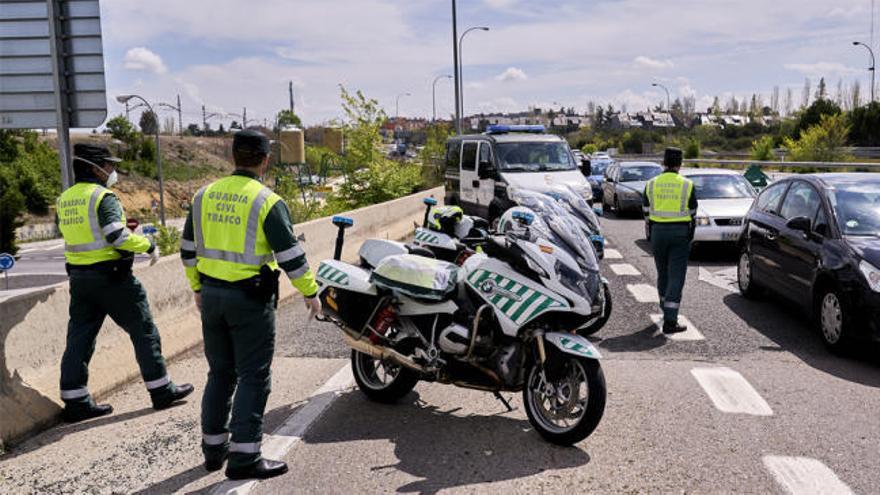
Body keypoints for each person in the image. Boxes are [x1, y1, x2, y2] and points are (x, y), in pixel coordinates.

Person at [180, 130, 321, 480]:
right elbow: (291, 256)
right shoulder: (266, 201)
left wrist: (197, 287)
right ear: (265, 160)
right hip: (249, 301)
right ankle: (244, 458)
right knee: (254, 376)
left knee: (220, 373)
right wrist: (310, 291)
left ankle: (214, 450)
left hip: (211, 297)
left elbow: (186, 250)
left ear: (233, 157)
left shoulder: (202, 196)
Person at [56, 144, 194, 422]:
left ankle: (75, 401)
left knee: (79, 339)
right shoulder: (102, 197)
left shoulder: (65, 199)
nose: (112, 170)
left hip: (80, 279)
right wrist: (148, 245)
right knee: (143, 332)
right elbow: (116, 235)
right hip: (112, 278)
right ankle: (161, 390)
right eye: (108, 165)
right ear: (94, 168)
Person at [643, 147, 698, 334]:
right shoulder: (687, 184)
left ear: (663, 163)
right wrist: (690, 232)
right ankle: (670, 321)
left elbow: (645, 210)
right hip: (679, 233)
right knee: (676, 276)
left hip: (658, 232)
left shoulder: (651, 183)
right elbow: (693, 212)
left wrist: (652, 229)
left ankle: (664, 306)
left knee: (662, 273)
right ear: (680, 164)